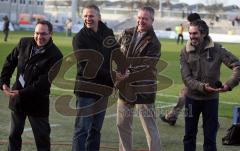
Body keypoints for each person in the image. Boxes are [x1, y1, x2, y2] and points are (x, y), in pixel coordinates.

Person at [0, 20, 63, 151]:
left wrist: (21, 92)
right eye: (37, 33)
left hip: (37, 102)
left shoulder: (56, 55)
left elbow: (43, 82)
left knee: (42, 138)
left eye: (44, 34)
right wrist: (4, 82)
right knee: (14, 135)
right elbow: (9, 62)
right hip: (18, 100)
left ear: (51, 34)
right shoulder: (24, 42)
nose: (39, 37)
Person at [71, 4, 126, 151]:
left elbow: (116, 53)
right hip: (86, 90)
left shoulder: (107, 32)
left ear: (99, 17)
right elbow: (87, 67)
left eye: (91, 15)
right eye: (86, 16)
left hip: (103, 90)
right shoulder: (79, 39)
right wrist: (113, 75)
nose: (88, 19)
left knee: (96, 129)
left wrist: (124, 69)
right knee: (82, 129)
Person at [181, 19, 240, 151]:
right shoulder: (184, 51)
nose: (191, 37)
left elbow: (237, 65)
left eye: (195, 33)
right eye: (190, 33)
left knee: (210, 138)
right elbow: (186, 78)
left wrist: (229, 84)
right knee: (189, 136)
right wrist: (202, 87)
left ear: (204, 33)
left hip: (211, 101)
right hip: (191, 100)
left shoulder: (217, 49)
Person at [116, 6, 161, 151]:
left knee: (149, 128)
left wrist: (128, 72)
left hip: (144, 89)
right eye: (140, 18)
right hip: (125, 87)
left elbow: (147, 66)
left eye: (145, 19)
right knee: (122, 125)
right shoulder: (126, 32)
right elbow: (115, 52)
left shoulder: (154, 43)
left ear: (152, 20)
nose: (141, 21)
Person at [160, 13, 201, 126]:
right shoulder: (201, 32)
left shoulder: (198, 34)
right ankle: (213, 120)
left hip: (197, 74)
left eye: (190, 22)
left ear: (194, 21)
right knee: (201, 96)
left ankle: (172, 116)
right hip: (198, 73)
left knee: (184, 94)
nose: (188, 24)